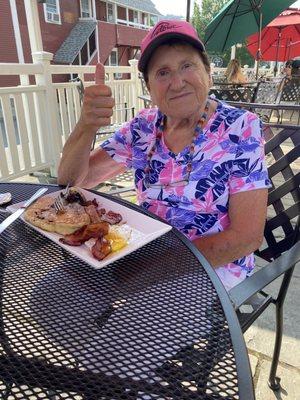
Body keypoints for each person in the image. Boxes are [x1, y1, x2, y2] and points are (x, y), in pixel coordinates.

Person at [58, 19, 271, 291]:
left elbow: (246, 238)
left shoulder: (241, 128)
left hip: (213, 268)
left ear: (207, 71)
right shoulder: (143, 128)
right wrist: (86, 126)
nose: (177, 82)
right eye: (162, 72)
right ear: (149, 87)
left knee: (122, 326)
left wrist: (151, 269)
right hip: (143, 253)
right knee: (66, 293)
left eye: (187, 65)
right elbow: (73, 181)